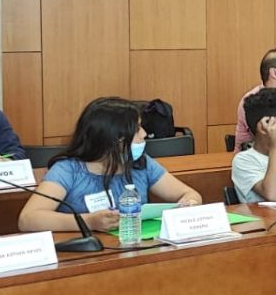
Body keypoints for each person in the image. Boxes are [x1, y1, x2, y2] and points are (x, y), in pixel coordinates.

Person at [17, 97, 202, 234]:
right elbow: (27, 219)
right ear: (115, 139)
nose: (144, 134)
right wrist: (89, 222)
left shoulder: (140, 164)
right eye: (137, 129)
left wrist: (189, 204)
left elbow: (190, 194)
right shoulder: (68, 170)